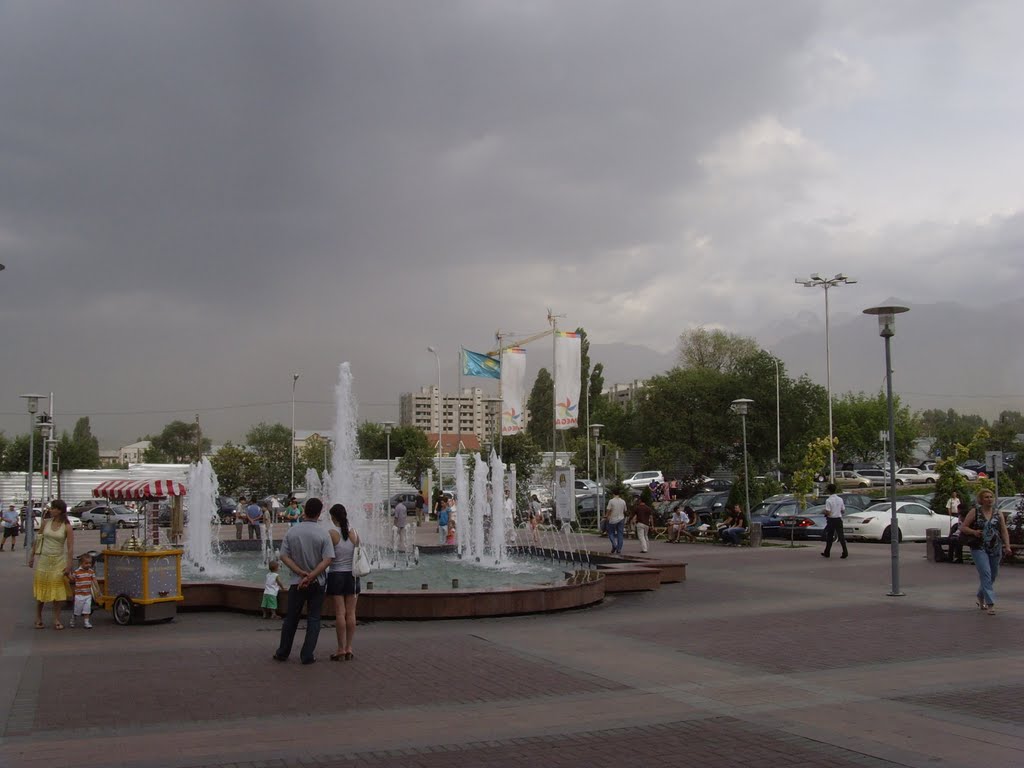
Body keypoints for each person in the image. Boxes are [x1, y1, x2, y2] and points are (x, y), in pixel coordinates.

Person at [274, 497, 334, 664]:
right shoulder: (323, 533)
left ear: (304, 510)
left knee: (291, 618)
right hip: (318, 583)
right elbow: (328, 559)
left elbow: (284, 556)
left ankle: (282, 652)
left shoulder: (292, 531)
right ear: (320, 512)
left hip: (296, 583)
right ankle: (307, 655)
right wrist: (312, 575)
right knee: (314, 619)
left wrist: (301, 573)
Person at [960, 488, 1012, 615]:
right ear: (981, 500)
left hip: (995, 547)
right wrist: (974, 532)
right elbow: (963, 527)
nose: (989, 499)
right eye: (986, 497)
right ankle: (990, 604)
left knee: (993, 575)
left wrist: (1007, 546)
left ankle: (980, 595)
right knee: (986, 574)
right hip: (979, 547)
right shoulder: (975, 512)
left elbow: (1004, 530)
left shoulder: (998, 513)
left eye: (991, 497)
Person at [29, 499, 74, 630]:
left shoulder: (67, 526)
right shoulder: (45, 524)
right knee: (42, 590)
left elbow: (70, 547)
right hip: (44, 560)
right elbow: (38, 540)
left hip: (58, 561)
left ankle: (56, 619)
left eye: (53, 508)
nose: (50, 510)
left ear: (59, 510)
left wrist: (69, 565)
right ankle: (38, 617)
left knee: (57, 590)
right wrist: (32, 556)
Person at [326, 503, 361, 661]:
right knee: (351, 613)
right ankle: (349, 647)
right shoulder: (354, 533)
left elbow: (327, 556)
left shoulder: (332, 534)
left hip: (336, 575)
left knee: (340, 613)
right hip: (353, 576)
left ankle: (340, 649)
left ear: (333, 518)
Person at [821, 483, 849, 559]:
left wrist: (823, 511)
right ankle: (845, 552)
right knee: (841, 536)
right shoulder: (840, 499)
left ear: (828, 490)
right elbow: (843, 510)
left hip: (831, 520)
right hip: (838, 519)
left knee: (829, 536)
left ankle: (827, 552)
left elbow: (828, 512)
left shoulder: (829, 500)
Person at [69, 553, 96, 629]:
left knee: (87, 609)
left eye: (90, 563)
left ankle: (86, 622)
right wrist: (68, 574)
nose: (88, 565)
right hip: (79, 594)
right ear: (81, 563)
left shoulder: (91, 572)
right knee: (77, 609)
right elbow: (72, 579)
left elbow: (94, 580)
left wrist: (97, 589)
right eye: (86, 563)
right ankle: (73, 618)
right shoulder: (77, 572)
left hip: (88, 594)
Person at [605, 489, 627, 555]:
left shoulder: (611, 501)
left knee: (611, 532)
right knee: (620, 534)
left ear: (613, 494)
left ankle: (614, 545)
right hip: (621, 518)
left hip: (613, 519)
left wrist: (606, 516)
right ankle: (619, 549)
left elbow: (609, 510)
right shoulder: (623, 501)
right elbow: (625, 510)